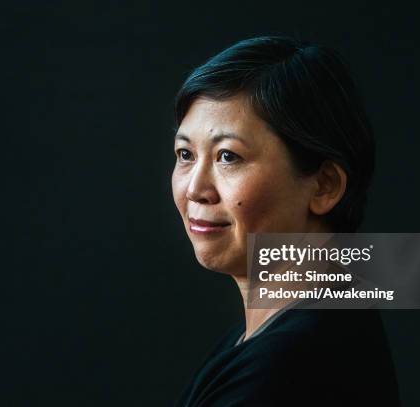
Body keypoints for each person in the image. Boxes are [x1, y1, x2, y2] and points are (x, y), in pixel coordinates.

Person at [171, 36, 400, 406]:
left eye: (228, 156)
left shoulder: (287, 366)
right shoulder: (275, 336)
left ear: (324, 186)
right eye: (185, 154)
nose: (195, 188)